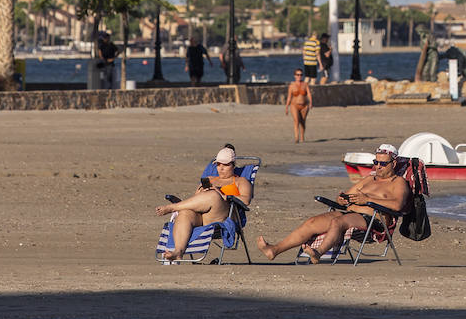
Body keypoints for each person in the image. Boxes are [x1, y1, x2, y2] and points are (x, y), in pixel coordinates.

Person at [256, 144, 410, 262]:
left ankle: (318, 253)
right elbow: (346, 196)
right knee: (312, 222)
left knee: (338, 221)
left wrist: (368, 200)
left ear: (394, 164)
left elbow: (397, 205)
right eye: (376, 162)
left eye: (382, 164)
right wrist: (342, 199)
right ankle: (274, 250)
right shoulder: (370, 179)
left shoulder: (398, 182)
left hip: (373, 221)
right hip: (350, 214)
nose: (377, 167)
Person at [154, 146, 253, 262]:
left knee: (214, 196)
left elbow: (246, 200)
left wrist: (222, 195)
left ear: (233, 165)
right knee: (185, 212)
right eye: (218, 164)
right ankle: (178, 252)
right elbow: (195, 199)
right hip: (202, 217)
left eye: (225, 165)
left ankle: (173, 207)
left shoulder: (241, 181)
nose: (221, 168)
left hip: (222, 217)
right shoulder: (210, 179)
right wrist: (201, 192)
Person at [285, 69, 312, 142]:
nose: (299, 76)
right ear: (295, 76)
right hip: (294, 105)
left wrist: (311, 103)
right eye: (298, 75)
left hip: (304, 106)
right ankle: (297, 137)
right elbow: (289, 97)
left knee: (303, 122)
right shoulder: (291, 86)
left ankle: (302, 137)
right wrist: (286, 107)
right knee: (296, 121)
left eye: (301, 75)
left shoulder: (305, 84)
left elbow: (309, 94)